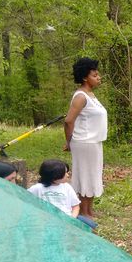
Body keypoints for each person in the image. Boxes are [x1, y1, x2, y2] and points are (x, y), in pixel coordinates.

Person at [64, 57, 107, 220]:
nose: (99, 77)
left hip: (94, 142)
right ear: (84, 77)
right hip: (84, 142)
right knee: (85, 177)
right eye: (95, 75)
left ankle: (89, 210)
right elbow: (69, 121)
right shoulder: (81, 96)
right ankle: (83, 212)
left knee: (93, 176)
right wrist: (69, 142)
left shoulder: (91, 95)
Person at [27, 159, 97, 230]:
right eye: (65, 173)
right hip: (47, 221)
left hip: (67, 218)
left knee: (91, 225)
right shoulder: (37, 188)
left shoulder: (67, 187)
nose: (68, 175)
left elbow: (75, 206)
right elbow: (25, 200)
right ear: (55, 176)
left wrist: (71, 219)